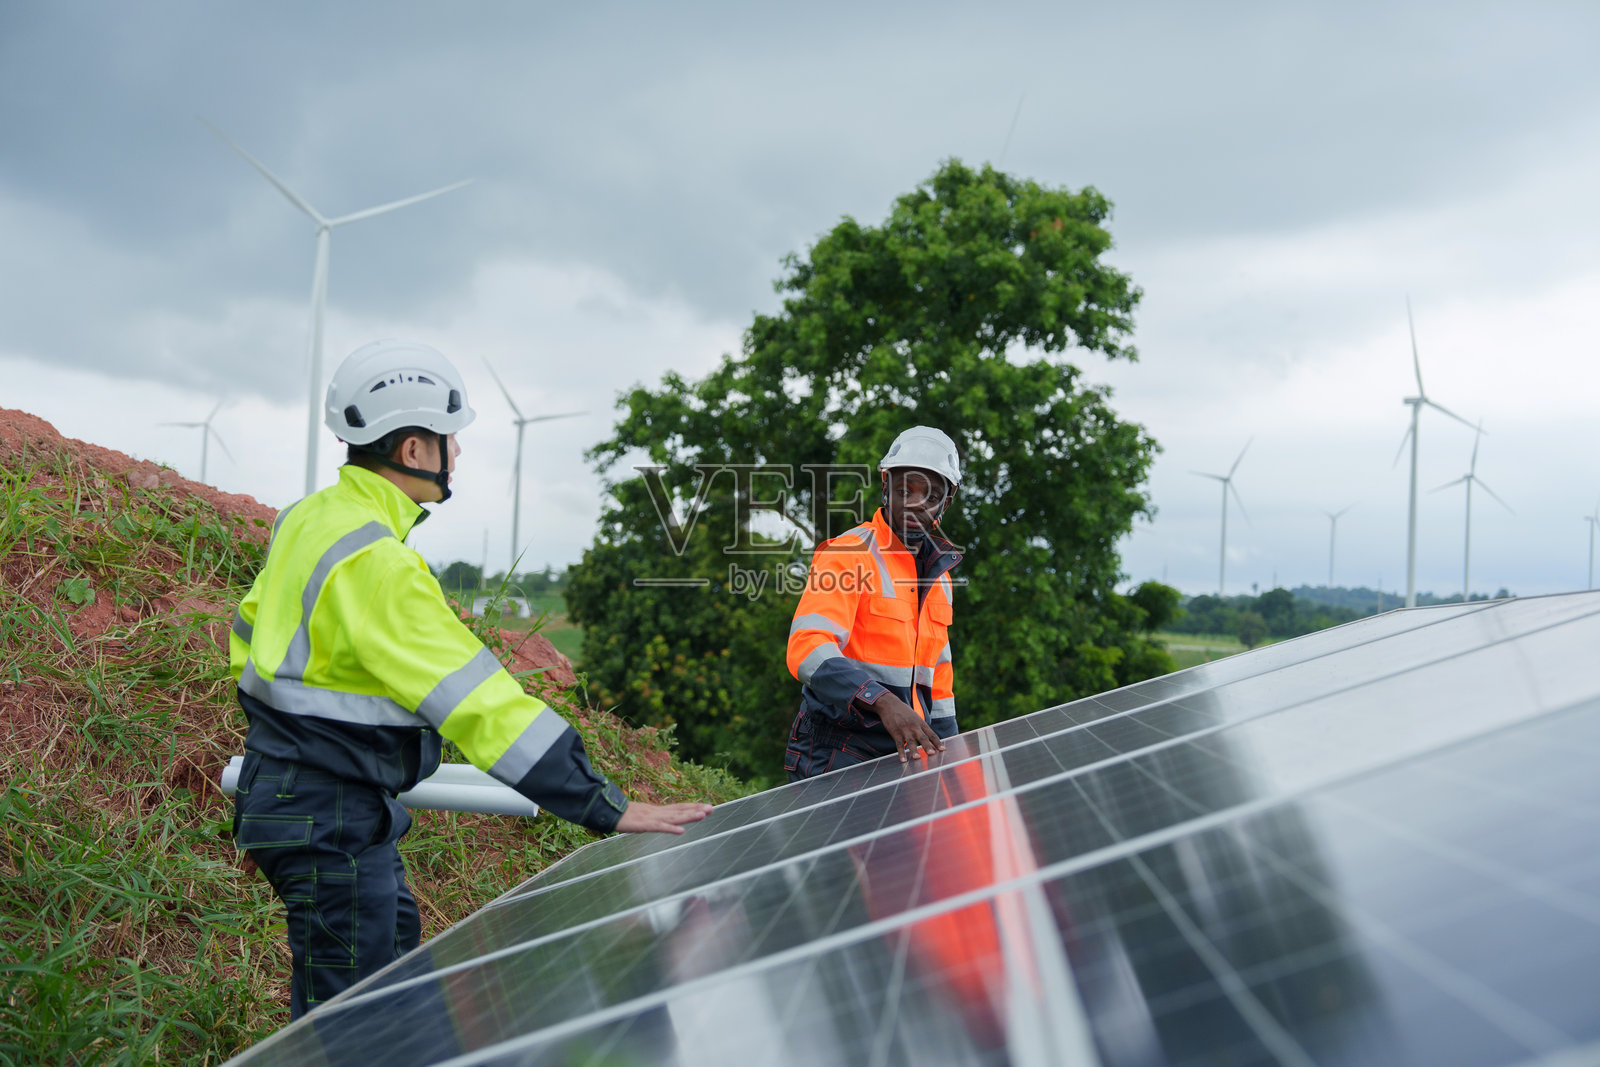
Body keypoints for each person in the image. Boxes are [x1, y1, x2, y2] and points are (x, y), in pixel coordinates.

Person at [229, 339, 712, 1018]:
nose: (457, 452)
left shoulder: (309, 519)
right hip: (328, 811)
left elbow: (250, 637)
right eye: (449, 437)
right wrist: (603, 804)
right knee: (352, 1021)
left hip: (298, 793)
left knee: (391, 974)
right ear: (413, 448)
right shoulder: (379, 562)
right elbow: (482, 705)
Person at [784, 426, 964, 780]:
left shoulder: (939, 579)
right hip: (836, 748)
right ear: (885, 485)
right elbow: (807, 646)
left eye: (930, 496)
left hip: (903, 753)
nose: (915, 503)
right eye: (904, 490)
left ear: (946, 502)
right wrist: (882, 701)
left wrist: (950, 756)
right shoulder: (848, 553)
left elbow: (939, 679)